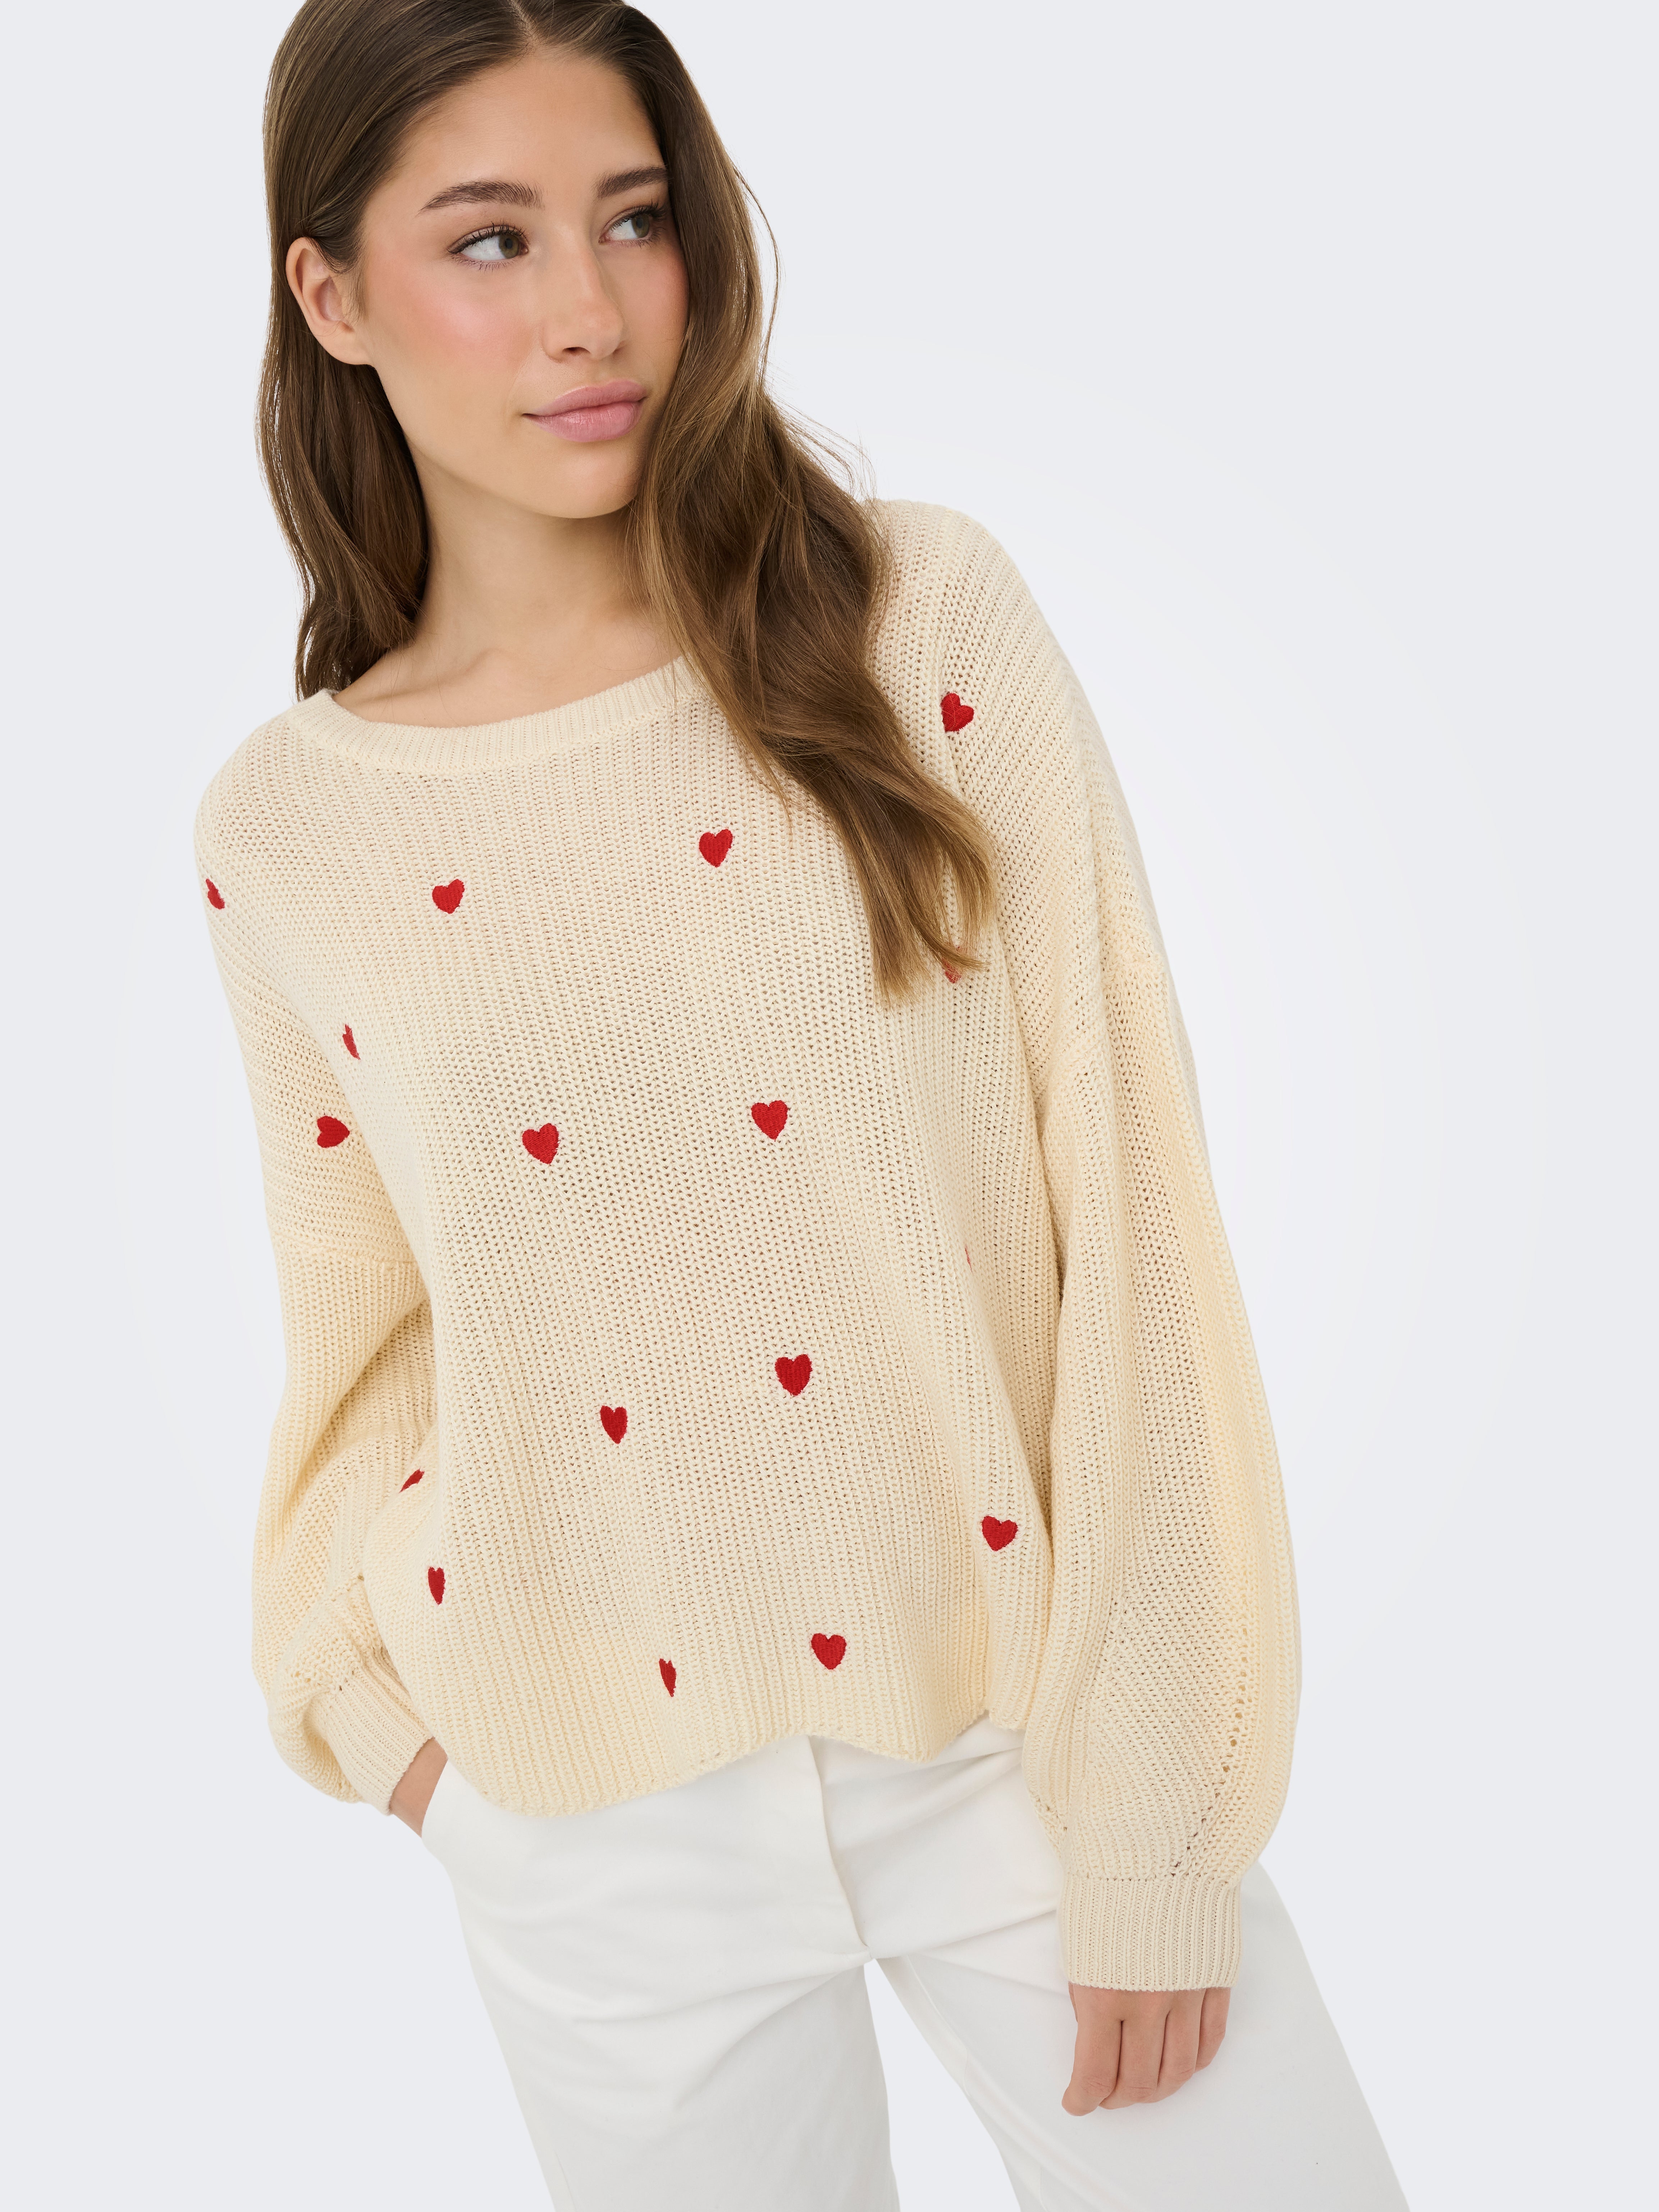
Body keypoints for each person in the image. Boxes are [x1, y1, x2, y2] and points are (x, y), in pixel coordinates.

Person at [195, 3, 1407, 2205]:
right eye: (489, 240)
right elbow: (365, 1342)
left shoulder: (915, 620)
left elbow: (1127, 1203)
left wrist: (1152, 1813)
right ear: (333, 296)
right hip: (587, 1806)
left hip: (1016, 1731)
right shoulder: (290, 824)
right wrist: (401, 1738)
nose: (589, 311)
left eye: (633, 217)